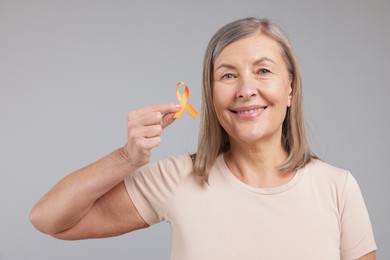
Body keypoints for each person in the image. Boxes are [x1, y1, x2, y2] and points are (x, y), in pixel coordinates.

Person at [30, 17, 377, 259]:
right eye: (228, 75)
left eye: (263, 71)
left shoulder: (337, 187)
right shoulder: (178, 179)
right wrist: (126, 158)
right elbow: (48, 218)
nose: (245, 90)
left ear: (290, 88)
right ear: (210, 95)